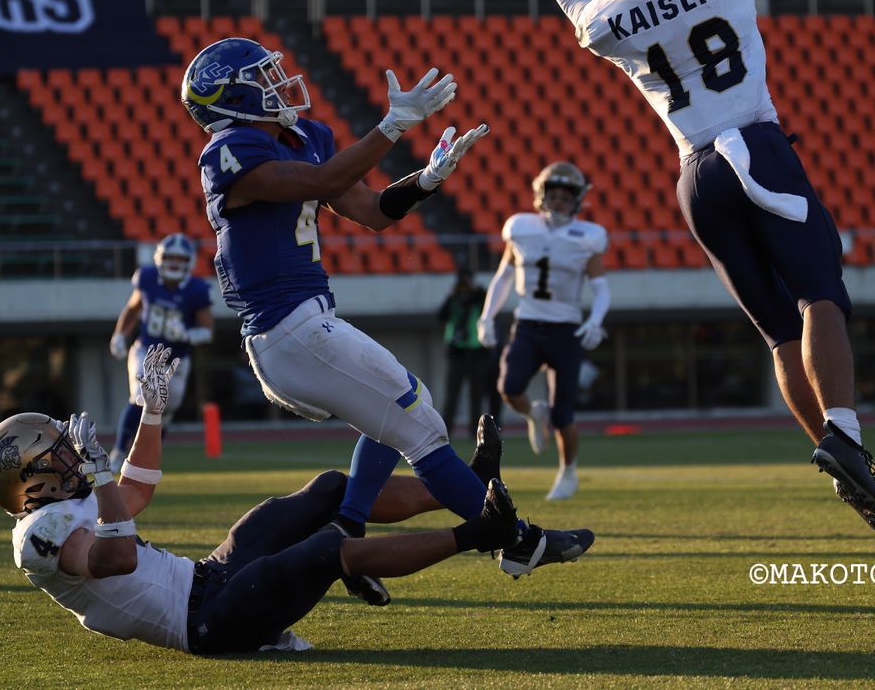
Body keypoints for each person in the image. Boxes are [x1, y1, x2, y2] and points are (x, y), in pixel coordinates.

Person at [485, 0, 875, 536]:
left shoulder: (612, 24)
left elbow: (575, 6)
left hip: (697, 177)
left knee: (778, 333)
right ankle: (845, 434)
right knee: (818, 296)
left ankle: (839, 458)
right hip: (758, 146)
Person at [181, 37, 593, 602]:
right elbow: (321, 185)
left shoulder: (303, 138)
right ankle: (516, 540)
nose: (278, 83)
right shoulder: (229, 150)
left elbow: (371, 211)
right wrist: (392, 126)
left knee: (390, 420)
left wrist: (423, 182)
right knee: (420, 422)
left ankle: (348, 529)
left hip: (304, 324)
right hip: (287, 329)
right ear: (231, 99)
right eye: (262, 77)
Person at [0, 344, 524, 655]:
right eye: (58, 456)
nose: (71, 457)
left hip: (208, 578)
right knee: (329, 551)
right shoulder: (37, 537)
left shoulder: (60, 506)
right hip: (209, 622)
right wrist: (102, 480)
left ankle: (468, 488)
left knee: (330, 490)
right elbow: (115, 556)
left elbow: (135, 490)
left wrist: (153, 410)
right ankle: (483, 532)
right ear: (31, 481)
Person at [477, 162, 610, 501]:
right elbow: (504, 277)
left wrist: (595, 319)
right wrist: (486, 317)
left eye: (566, 196)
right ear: (541, 195)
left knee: (564, 411)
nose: (560, 201)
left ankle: (568, 471)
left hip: (566, 329)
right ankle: (533, 413)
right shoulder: (521, 227)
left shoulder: (587, 236)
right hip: (529, 324)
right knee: (508, 387)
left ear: (577, 199)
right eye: (554, 194)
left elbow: (601, 288)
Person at [107, 233, 214, 472]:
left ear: (189, 262)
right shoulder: (146, 278)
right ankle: (119, 451)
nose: (174, 263)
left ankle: (146, 458)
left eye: (179, 258)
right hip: (147, 350)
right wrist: (120, 334)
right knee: (142, 397)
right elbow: (132, 309)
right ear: (160, 258)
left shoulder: (196, 289)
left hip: (177, 360)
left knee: (166, 411)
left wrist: (188, 334)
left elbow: (207, 330)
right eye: (170, 257)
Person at [437, 266, 496, 437]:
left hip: (475, 350)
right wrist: (451, 296)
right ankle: (445, 432)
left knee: (476, 395)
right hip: (457, 351)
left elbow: (489, 309)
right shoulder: (453, 297)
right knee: (452, 394)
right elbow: (441, 316)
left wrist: (478, 292)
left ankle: (474, 432)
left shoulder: (479, 297)